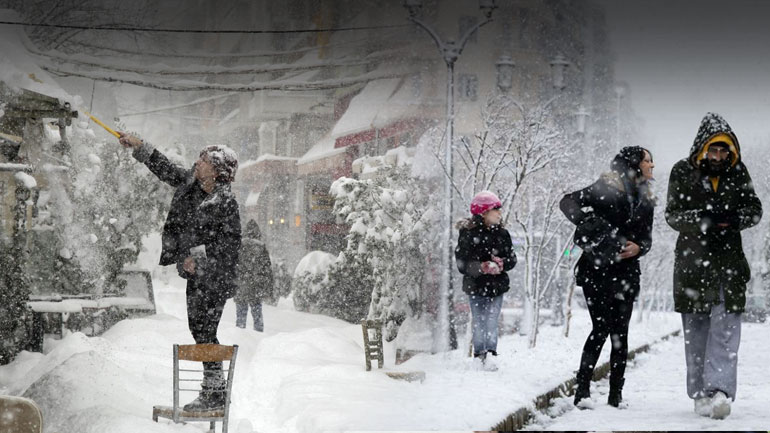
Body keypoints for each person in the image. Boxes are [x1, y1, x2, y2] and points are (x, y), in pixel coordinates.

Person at [117, 132, 241, 411]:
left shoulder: (225, 204)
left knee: (204, 329)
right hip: (198, 276)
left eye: (205, 160)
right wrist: (140, 147)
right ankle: (216, 391)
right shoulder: (192, 185)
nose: (197, 163)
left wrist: (198, 259)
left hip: (216, 278)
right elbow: (167, 169)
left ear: (218, 171)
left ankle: (214, 393)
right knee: (200, 329)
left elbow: (229, 249)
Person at [664, 112, 762, 419]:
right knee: (697, 330)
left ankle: (720, 390)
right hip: (694, 265)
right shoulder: (682, 171)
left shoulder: (738, 172)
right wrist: (701, 220)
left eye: (724, 151)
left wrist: (735, 219)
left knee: (726, 330)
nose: (718, 156)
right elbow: (673, 215)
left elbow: (754, 209)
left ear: (731, 152)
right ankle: (699, 393)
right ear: (702, 149)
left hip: (729, 264)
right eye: (714, 150)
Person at [560, 146, 655, 408]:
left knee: (620, 334)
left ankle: (616, 395)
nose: (652, 166)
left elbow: (647, 237)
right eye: (648, 161)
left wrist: (640, 248)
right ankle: (583, 391)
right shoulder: (605, 186)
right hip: (597, 270)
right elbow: (567, 201)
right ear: (634, 164)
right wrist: (587, 222)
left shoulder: (646, 196)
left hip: (626, 271)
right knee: (601, 329)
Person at [455, 191, 517, 371]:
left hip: (497, 286)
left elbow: (512, 258)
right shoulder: (467, 234)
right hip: (476, 286)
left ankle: (490, 354)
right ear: (483, 213)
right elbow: (462, 263)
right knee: (479, 320)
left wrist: (502, 264)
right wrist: (481, 267)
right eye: (495, 210)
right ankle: (479, 355)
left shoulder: (503, 234)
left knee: (491, 319)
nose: (499, 213)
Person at [235, 220, 273, 331]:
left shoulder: (239, 246)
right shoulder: (261, 247)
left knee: (241, 315)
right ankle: (258, 335)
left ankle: (240, 335)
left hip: (241, 284)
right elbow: (267, 269)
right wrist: (268, 288)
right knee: (257, 314)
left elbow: (233, 265)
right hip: (256, 285)